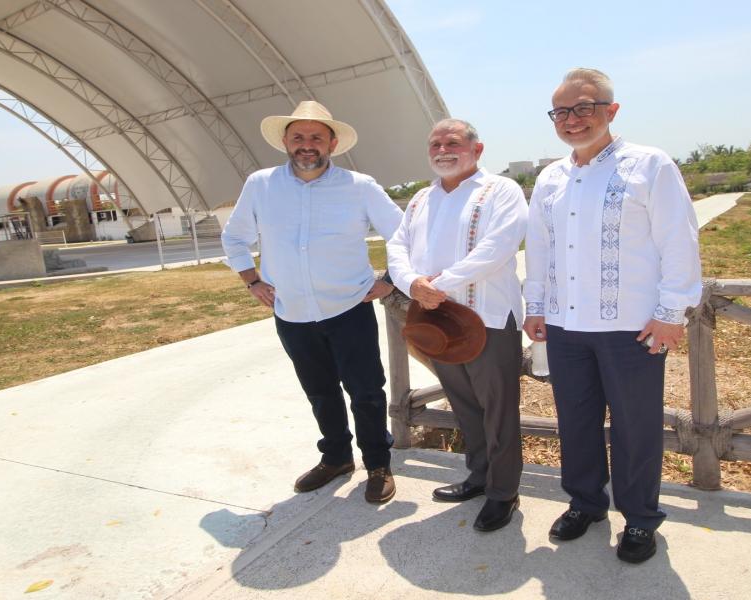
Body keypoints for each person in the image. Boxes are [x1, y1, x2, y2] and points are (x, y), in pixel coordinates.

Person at [523, 68, 702, 562]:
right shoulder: (550, 177)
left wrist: (672, 312)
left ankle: (641, 519)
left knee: (636, 425)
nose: (572, 120)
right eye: (561, 111)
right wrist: (536, 306)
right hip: (564, 325)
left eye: (583, 107)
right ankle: (586, 503)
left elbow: (678, 241)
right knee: (575, 421)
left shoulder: (650, 165)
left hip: (633, 326)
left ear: (611, 110)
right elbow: (539, 246)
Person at [221, 101, 402, 504]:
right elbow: (234, 237)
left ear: (332, 143)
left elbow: (405, 234)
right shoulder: (260, 184)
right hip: (292, 311)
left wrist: (391, 280)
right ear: (285, 141)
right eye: (298, 137)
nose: (307, 145)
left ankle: (377, 464)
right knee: (319, 391)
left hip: (349, 307)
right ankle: (336, 458)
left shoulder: (360, 186)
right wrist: (251, 279)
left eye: (316, 137)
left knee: (367, 391)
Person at [386, 119, 528, 531]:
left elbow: (499, 246)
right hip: (438, 321)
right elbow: (397, 246)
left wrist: (439, 286)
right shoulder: (420, 199)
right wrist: (411, 282)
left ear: (477, 149)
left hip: (488, 317)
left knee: (498, 409)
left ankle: (503, 493)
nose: (443, 150)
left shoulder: (501, 190)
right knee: (465, 405)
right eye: (435, 143)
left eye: (453, 142)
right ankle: (479, 477)